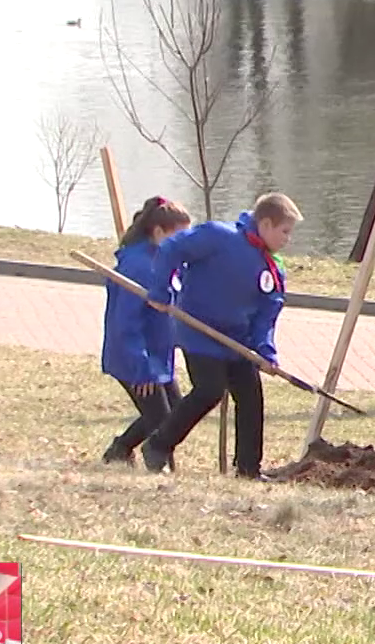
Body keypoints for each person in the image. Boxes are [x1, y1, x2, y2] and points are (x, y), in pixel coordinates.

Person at [138, 192, 303, 479]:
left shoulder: (273, 268)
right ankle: (158, 445)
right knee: (209, 389)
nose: (287, 239)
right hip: (198, 332)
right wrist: (160, 291)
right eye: (285, 231)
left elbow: (266, 316)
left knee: (251, 397)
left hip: (237, 342)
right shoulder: (218, 236)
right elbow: (171, 249)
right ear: (265, 224)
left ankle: (248, 468)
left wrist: (265, 352)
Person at [100, 196, 192, 466]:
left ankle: (120, 448)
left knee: (176, 412)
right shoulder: (138, 266)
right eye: (180, 236)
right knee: (162, 422)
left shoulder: (166, 259)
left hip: (157, 353)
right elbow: (126, 323)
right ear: (159, 232)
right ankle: (159, 469)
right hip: (134, 357)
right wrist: (142, 368)